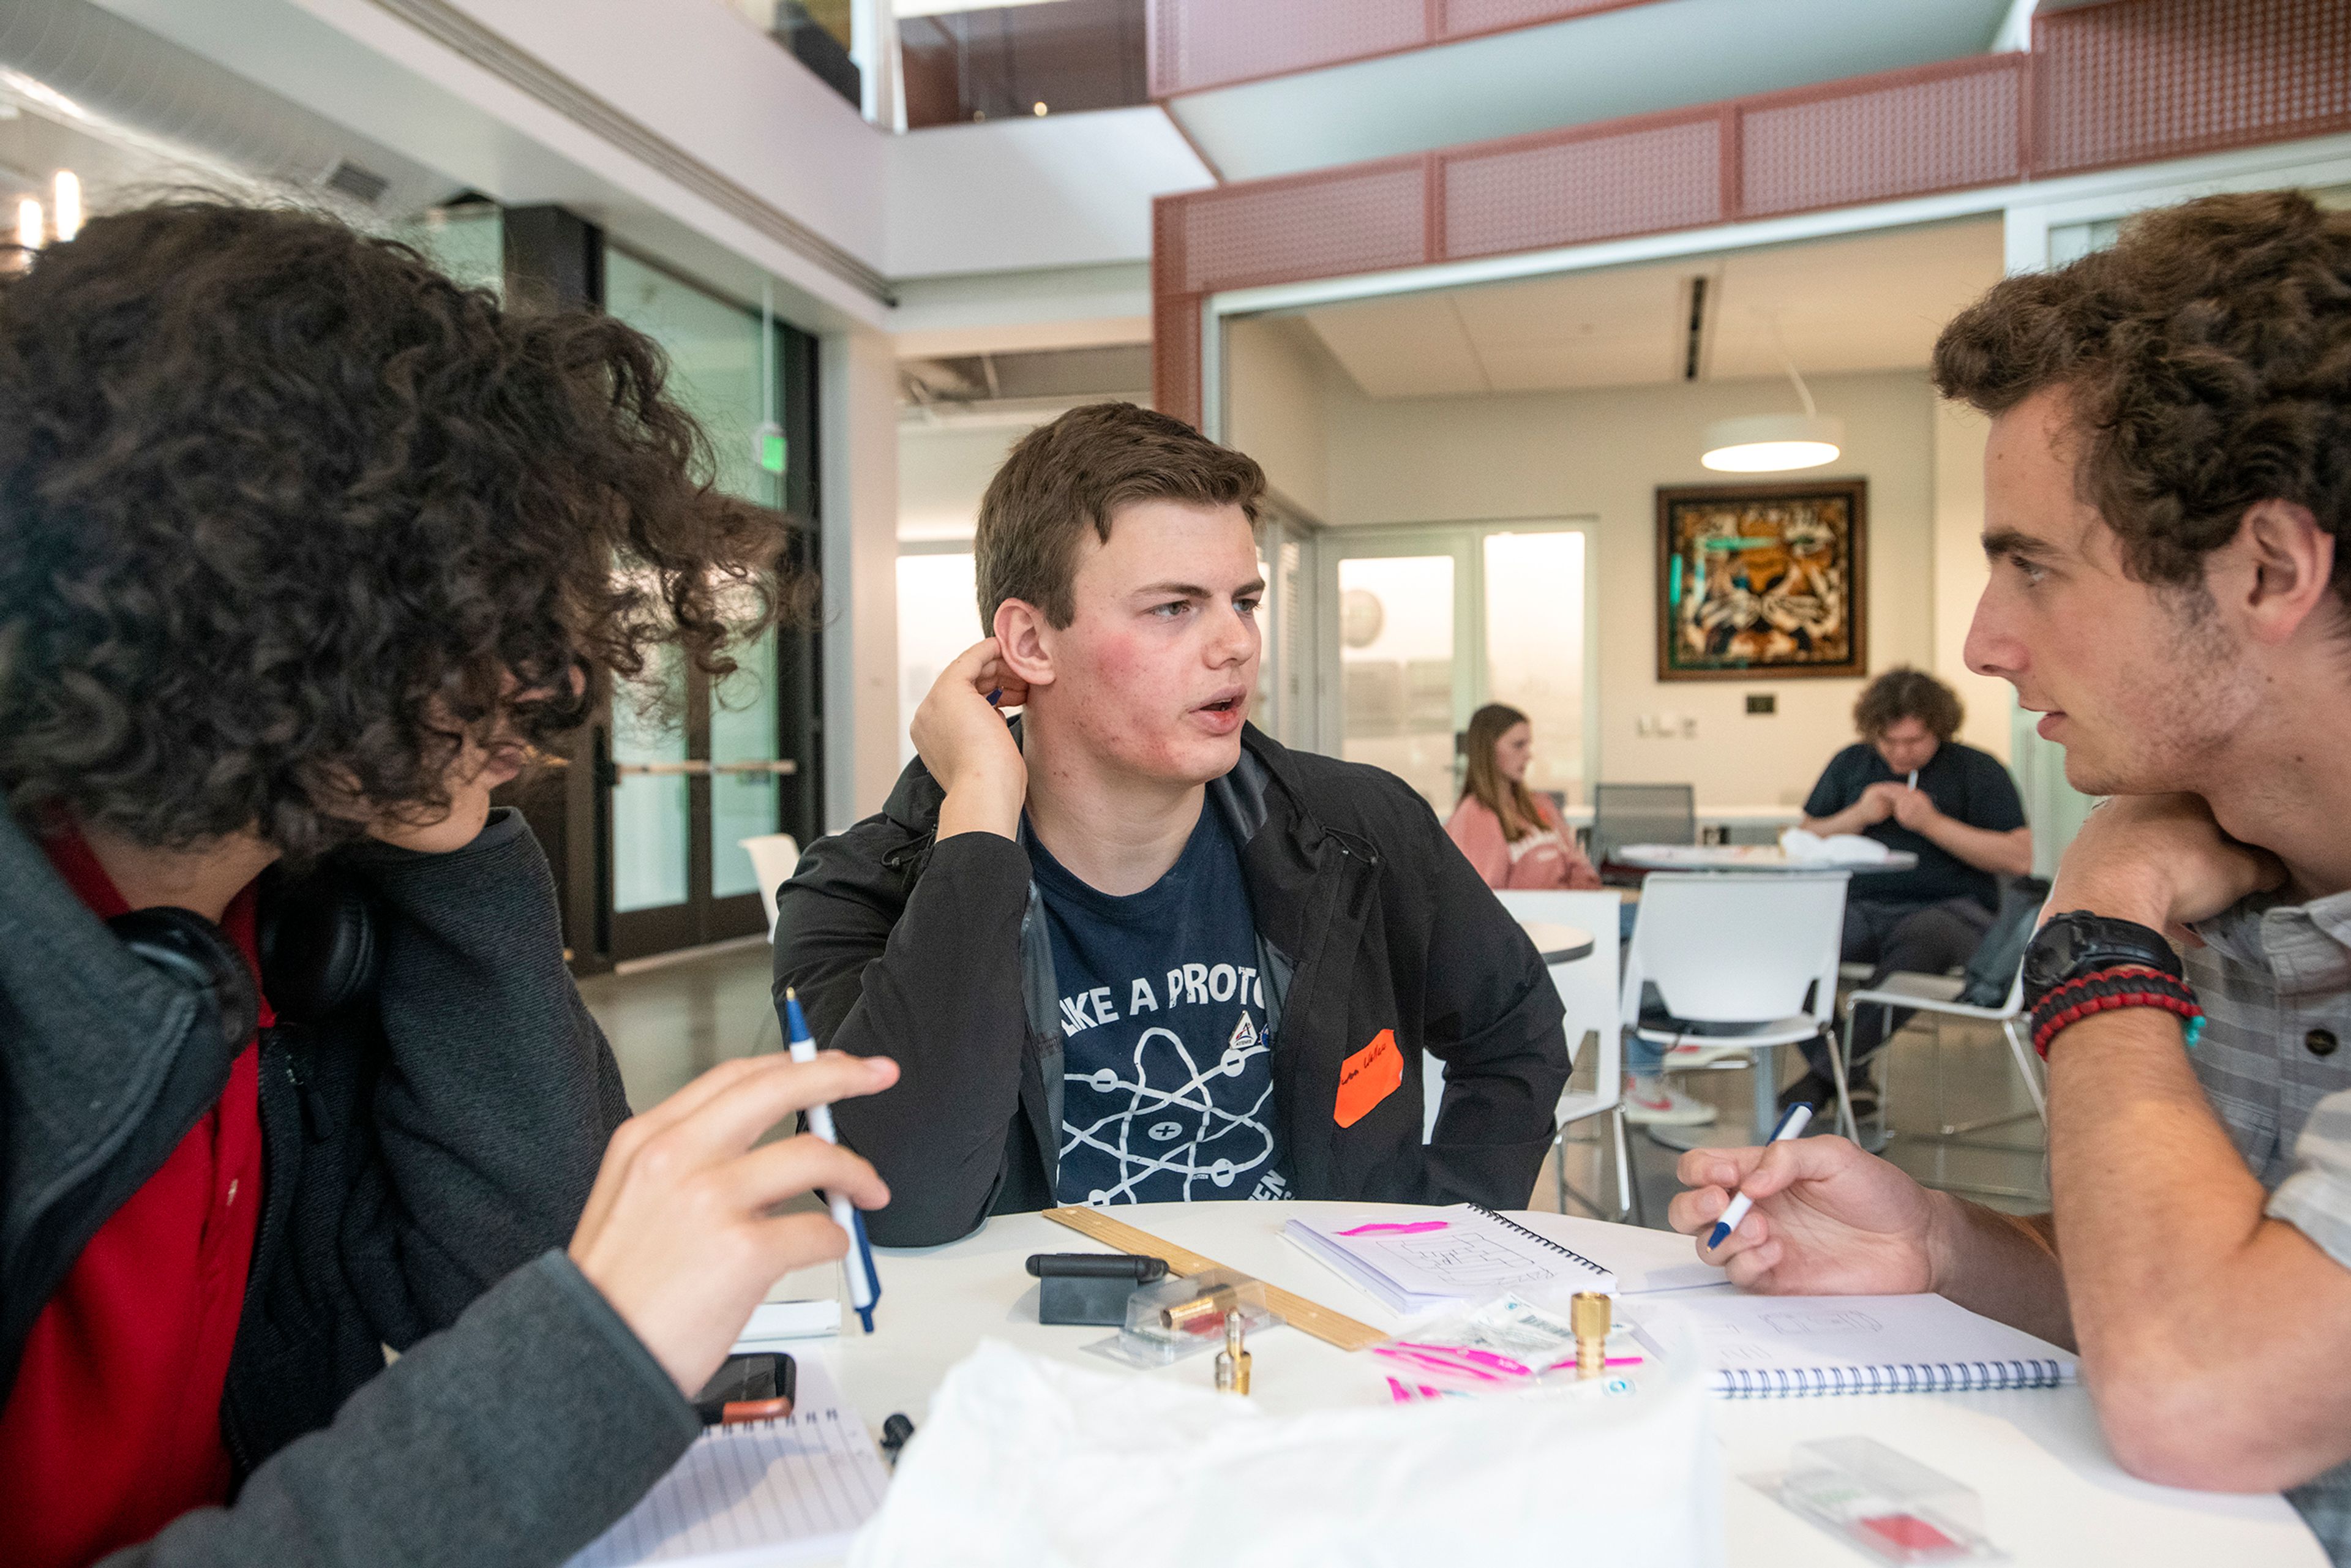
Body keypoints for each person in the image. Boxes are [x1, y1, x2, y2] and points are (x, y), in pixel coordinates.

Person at [0, 200, 897, 1566]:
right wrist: (592, 1358)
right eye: (484, 602)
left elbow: (500, 1275)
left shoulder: (292, 922)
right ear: (279, 594)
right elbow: (557, 1350)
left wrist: (450, 822)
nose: (561, 679)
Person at [1667, 190, 2351, 1561]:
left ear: (2269, 566)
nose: (1984, 642)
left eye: (2034, 566)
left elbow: (2201, 1385)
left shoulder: (2136, 892)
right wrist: (1933, 1241)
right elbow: (2204, 1283)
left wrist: (2098, 931)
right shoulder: (2216, 874)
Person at [774, 402, 1571, 1246]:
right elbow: (901, 1202)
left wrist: (1438, 1239)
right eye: (1174, 608)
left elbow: (1515, 1032)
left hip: (1312, 1352)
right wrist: (976, 811)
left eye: (1244, 601)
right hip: (1030, 1367)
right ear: (1030, 644)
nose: (1236, 644)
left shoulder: (1361, 834)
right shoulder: (858, 897)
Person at [1780, 667, 2031, 1117]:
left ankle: (1824, 1076)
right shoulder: (1851, 763)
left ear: (1940, 730)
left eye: (1913, 742)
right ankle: (1849, 1075)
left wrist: (1932, 824)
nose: (1900, 752)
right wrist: (1857, 814)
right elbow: (1805, 838)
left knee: (1923, 938)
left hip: (1953, 911)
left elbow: (2018, 857)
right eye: (1889, 741)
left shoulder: (1977, 769)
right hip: (1859, 903)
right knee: (1792, 945)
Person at [1444, 704, 1603, 892]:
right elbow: (1483, 899)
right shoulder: (1474, 815)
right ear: (1488, 750)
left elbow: (1580, 869)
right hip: (1525, 919)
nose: (1529, 755)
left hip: (1572, 913)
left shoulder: (1541, 804)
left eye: (1528, 745)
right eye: (1518, 745)